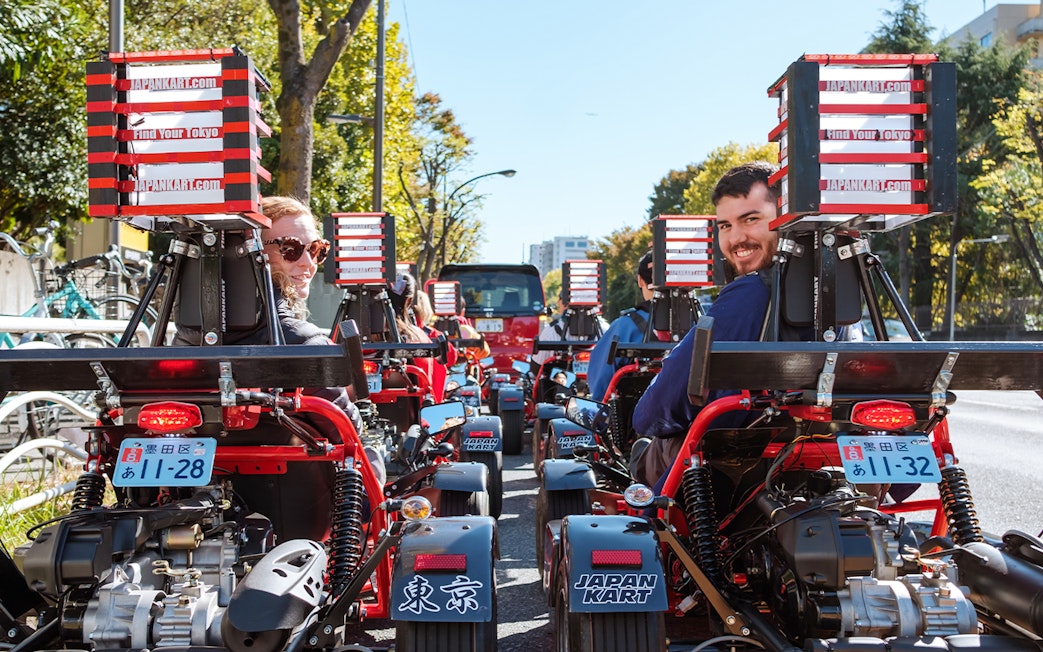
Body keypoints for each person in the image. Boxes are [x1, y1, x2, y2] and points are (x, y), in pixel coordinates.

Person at [629, 162, 780, 485]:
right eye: (725, 226)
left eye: (751, 219)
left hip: (731, 473)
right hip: (807, 460)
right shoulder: (836, 298)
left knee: (647, 451)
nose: (736, 238)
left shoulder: (750, 294)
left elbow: (654, 411)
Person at [585, 251, 656, 401]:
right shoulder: (701, 323)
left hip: (634, 418)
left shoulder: (624, 326)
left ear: (640, 280)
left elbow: (601, 381)